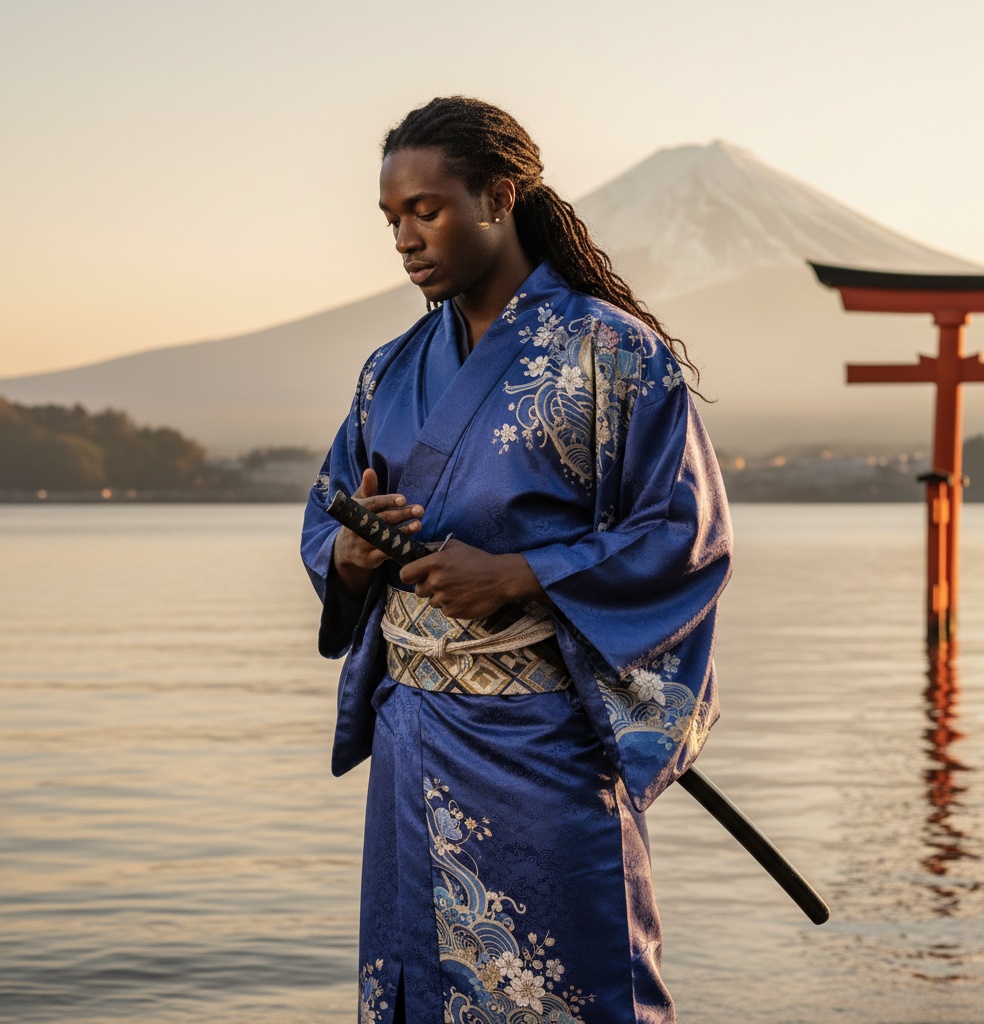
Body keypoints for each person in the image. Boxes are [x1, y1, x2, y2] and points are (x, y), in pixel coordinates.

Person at [301, 96, 732, 1024]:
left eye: (428, 209)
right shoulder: (387, 371)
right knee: (415, 987)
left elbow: (682, 534)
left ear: (499, 197)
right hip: (414, 735)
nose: (407, 238)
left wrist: (520, 574)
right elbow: (329, 515)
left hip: (544, 748)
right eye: (392, 219)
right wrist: (349, 555)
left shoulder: (615, 355)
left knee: (571, 986)